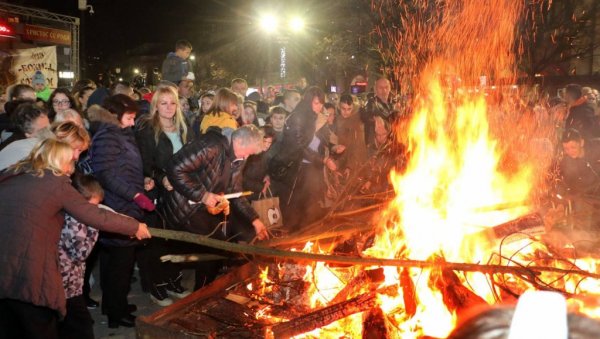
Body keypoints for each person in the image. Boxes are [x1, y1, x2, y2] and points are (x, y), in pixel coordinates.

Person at [0, 138, 151, 339]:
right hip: (28, 270)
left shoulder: (13, 175)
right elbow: (93, 215)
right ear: (58, 160)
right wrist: (134, 226)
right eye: (70, 161)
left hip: (4, 268)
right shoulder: (54, 181)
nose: (73, 168)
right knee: (39, 326)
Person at [161, 125, 268, 289]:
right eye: (247, 151)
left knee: (219, 246)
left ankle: (202, 290)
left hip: (203, 208)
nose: (247, 156)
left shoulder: (239, 157)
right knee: (216, 246)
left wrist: (255, 220)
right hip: (183, 205)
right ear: (237, 140)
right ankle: (200, 293)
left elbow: (235, 191)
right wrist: (203, 195)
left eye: (250, 154)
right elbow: (175, 168)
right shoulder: (210, 146)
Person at [89, 94, 155, 328]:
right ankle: (116, 314)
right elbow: (105, 174)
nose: (132, 122)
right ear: (115, 115)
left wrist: (142, 182)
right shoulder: (107, 136)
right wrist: (134, 194)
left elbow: (126, 167)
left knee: (115, 261)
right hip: (119, 206)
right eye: (129, 117)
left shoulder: (120, 132)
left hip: (124, 203)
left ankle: (114, 304)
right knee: (120, 264)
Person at [135, 85, 192, 306]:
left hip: (181, 193)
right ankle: (156, 286)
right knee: (157, 240)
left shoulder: (183, 126)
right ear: (156, 106)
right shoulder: (148, 129)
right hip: (159, 193)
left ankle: (173, 280)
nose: (168, 107)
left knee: (177, 238)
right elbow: (145, 163)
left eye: (172, 102)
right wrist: (162, 178)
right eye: (163, 103)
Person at [269, 86, 334, 231]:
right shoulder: (298, 117)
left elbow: (323, 139)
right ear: (308, 101)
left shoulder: (316, 116)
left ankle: (307, 233)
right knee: (295, 205)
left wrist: (332, 149)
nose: (319, 107)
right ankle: (293, 235)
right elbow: (299, 147)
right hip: (295, 167)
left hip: (311, 166)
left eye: (321, 103)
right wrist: (321, 160)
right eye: (316, 103)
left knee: (311, 202)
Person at [57, 174, 105, 339]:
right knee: (81, 327)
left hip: (71, 282)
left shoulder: (74, 214)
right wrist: (95, 226)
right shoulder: (76, 222)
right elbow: (81, 253)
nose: (96, 210)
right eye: (94, 206)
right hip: (67, 283)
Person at [0, 102, 51, 168]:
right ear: (27, 134)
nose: (49, 132)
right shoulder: (24, 151)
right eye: (43, 130)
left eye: (49, 125)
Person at [361, 77, 400, 145]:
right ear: (375, 89)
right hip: (378, 145)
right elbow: (366, 114)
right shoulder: (371, 103)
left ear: (390, 88)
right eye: (380, 88)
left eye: (386, 87)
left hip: (393, 143)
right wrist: (375, 119)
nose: (384, 90)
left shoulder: (394, 103)